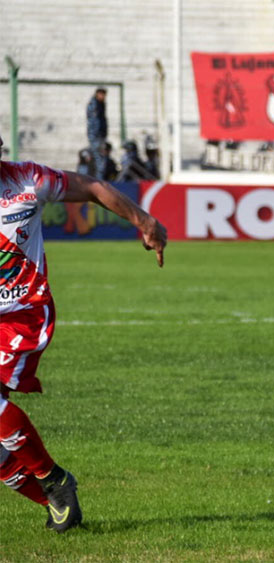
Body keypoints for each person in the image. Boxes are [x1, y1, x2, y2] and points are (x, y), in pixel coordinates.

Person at [0, 132, 167, 532]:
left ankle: (54, 479)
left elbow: (92, 186)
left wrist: (144, 221)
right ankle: (56, 504)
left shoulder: (28, 180)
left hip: (22, 314)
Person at [86, 88, 108, 181]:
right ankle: (98, 182)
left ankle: (98, 180)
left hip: (99, 136)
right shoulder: (94, 105)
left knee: (100, 160)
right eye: (101, 94)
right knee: (98, 160)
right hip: (96, 136)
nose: (103, 97)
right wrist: (97, 136)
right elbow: (94, 122)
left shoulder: (101, 104)